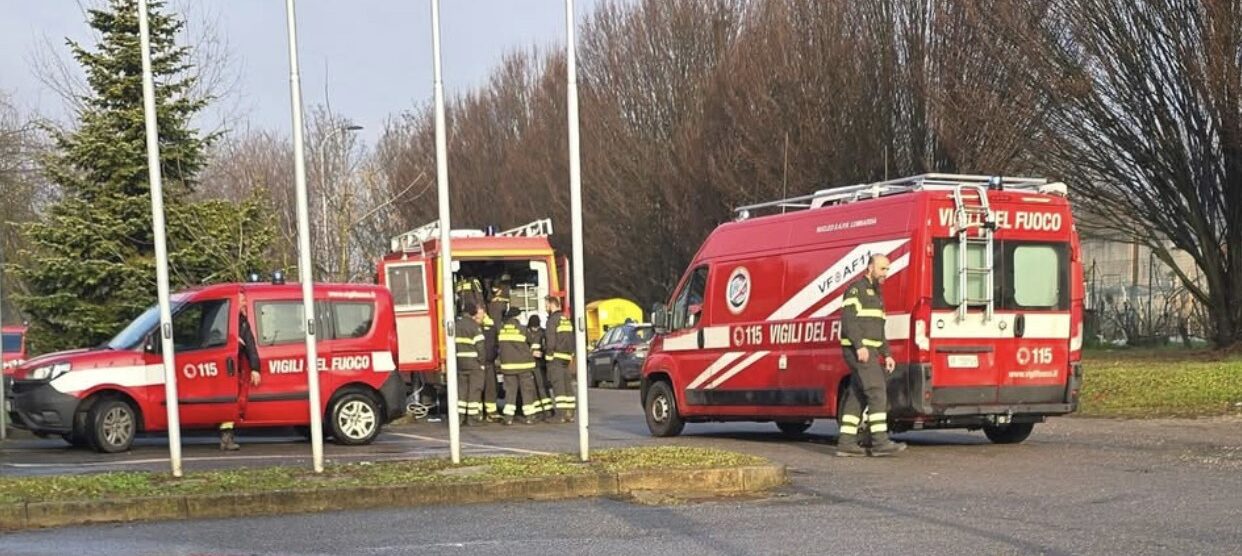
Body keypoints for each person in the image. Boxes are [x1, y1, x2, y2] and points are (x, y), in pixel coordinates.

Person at [836, 254, 905, 457]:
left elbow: (879, 329)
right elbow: (848, 321)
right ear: (870, 268)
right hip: (859, 351)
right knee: (876, 391)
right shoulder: (856, 290)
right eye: (882, 269)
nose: (886, 273)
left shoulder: (877, 295)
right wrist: (859, 346)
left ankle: (846, 442)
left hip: (871, 351)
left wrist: (887, 354)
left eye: (888, 269)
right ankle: (880, 442)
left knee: (857, 395)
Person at [221, 308, 261, 451]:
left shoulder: (241, 321)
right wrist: (234, 340)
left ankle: (227, 437)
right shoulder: (224, 316)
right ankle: (226, 437)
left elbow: (250, 345)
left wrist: (255, 367)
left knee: (232, 401)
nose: (244, 303)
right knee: (228, 401)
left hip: (233, 368)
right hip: (226, 366)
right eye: (241, 300)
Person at [496, 307, 540, 425]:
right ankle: (529, 416)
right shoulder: (522, 329)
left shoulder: (501, 330)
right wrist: (533, 351)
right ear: (517, 316)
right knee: (527, 391)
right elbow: (532, 341)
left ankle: (508, 418)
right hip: (524, 366)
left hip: (508, 367)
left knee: (510, 392)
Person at [543, 296, 577, 423]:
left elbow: (550, 340)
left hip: (556, 357)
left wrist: (548, 356)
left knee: (559, 386)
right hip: (566, 357)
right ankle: (570, 413)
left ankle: (560, 415)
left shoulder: (552, 321)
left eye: (546, 305)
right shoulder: (565, 319)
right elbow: (571, 338)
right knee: (567, 385)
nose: (546, 308)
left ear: (552, 305)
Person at [453, 303, 488, 426]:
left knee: (462, 391)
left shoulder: (456, 325)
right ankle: (472, 418)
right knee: (475, 390)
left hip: (460, 363)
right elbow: (481, 347)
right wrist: (482, 362)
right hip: (474, 364)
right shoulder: (474, 326)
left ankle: (460, 417)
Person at [527, 314, 553, 420]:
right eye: (533, 327)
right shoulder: (526, 333)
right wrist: (531, 353)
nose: (535, 329)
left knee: (542, 387)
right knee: (533, 388)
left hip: (540, 364)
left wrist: (542, 354)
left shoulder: (543, 333)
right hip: (529, 364)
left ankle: (548, 410)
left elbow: (547, 347)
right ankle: (538, 411)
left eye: (537, 327)